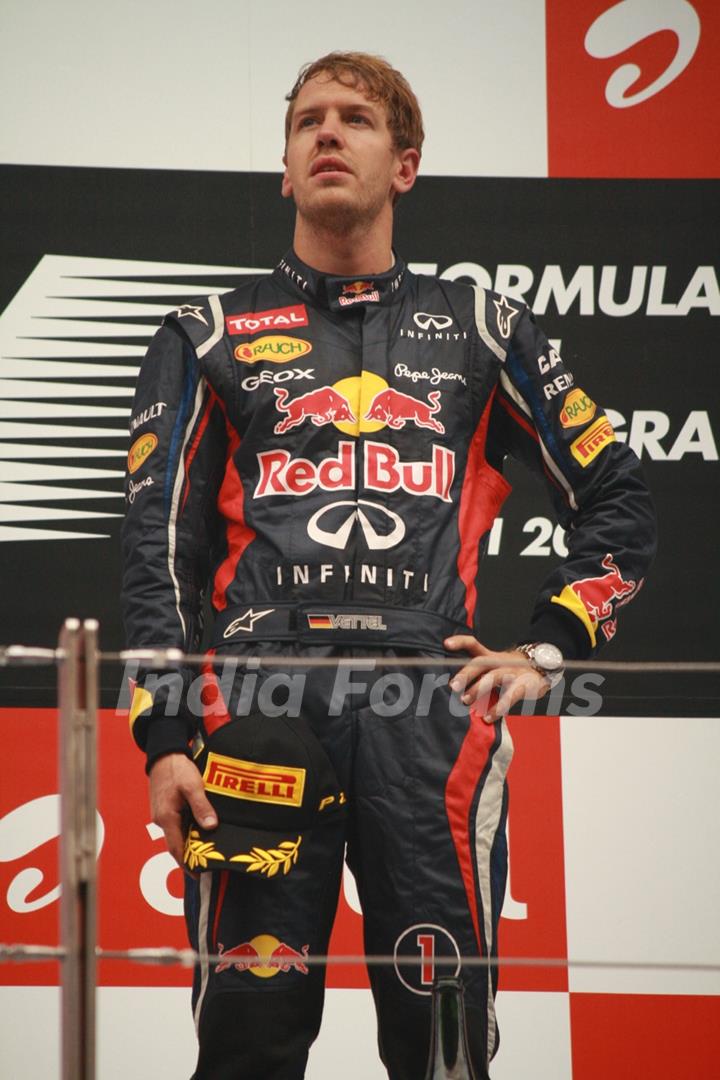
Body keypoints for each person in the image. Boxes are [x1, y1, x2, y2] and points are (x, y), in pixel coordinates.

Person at [121, 51, 656, 1079]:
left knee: (442, 1038)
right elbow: (160, 548)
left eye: (355, 119)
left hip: (430, 702)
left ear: (404, 163)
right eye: (307, 122)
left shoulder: (484, 328)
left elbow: (620, 500)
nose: (327, 134)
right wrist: (163, 736)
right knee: (246, 1032)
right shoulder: (205, 333)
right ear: (284, 168)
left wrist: (547, 648)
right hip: (254, 703)